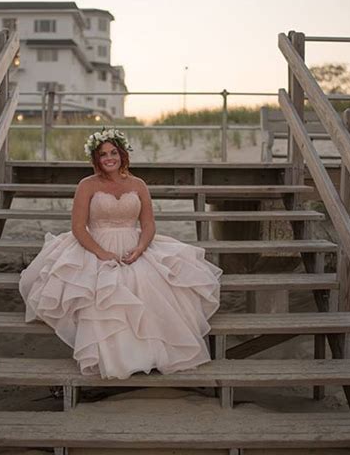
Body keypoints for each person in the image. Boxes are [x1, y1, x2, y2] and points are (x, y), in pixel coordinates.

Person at [19, 128, 222, 380]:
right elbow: (77, 227)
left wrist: (140, 248)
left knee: (149, 283)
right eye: (103, 154)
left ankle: (151, 355)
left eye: (113, 152)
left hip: (133, 244)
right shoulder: (87, 185)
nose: (109, 158)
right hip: (94, 245)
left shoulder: (138, 185)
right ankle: (117, 359)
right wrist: (100, 252)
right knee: (104, 293)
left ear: (122, 154)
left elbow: (148, 224)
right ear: (96, 158)